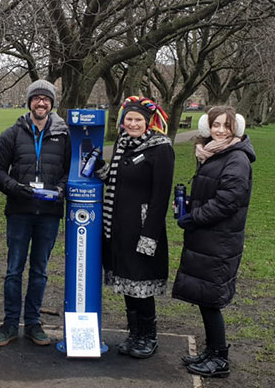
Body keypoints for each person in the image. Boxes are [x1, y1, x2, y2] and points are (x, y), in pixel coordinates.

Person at [171, 106, 255, 378]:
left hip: (219, 240)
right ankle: (212, 350)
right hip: (207, 238)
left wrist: (195, 217)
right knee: (206, 297)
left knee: (211, 300)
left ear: (236, 129)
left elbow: (228, 201)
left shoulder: (236, 159)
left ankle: (220, 359)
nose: (220, 130)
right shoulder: (213, 153)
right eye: (215, 125)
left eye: (226, 126)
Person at [0, 79, 71, 347]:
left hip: (49, 213)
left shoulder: (64, 134)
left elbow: (72, 171)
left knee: (40, 270)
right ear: (29, 102)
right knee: (14, 269)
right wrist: (14, 188)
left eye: (46, 99)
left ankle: (34, 323)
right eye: (36, 98)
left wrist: (61, 188)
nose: (41, 102)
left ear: (52, 103)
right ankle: (11, 323)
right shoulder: (13, 133)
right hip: (19, 212)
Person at [95, 96, 174, 359]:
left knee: (141, 284)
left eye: (138, 119)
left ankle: (148, 336)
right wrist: (99, 168)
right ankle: (134, 333)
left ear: (149, 121)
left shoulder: (160, 148)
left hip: (141, 227)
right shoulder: (123, 143)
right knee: (126, 282)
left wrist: (149, 235)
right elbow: (115, 181)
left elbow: (161, 196)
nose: (132, 123)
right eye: (128, 119)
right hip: (118, 226)